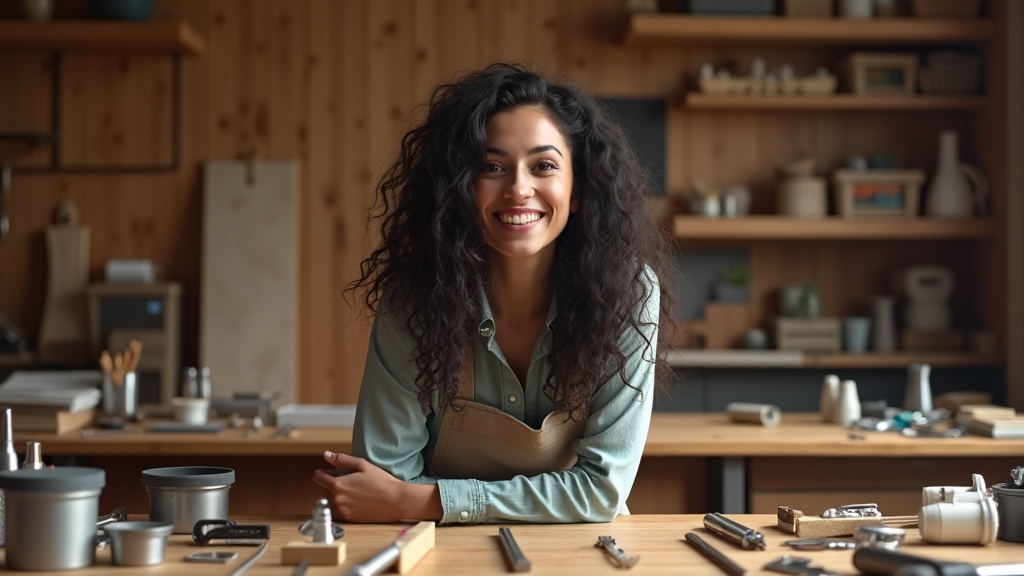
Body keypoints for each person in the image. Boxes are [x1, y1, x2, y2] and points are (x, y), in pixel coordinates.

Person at [312, 62, 673, 525]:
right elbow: (384, 479)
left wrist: (430, 501)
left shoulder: (629, 292)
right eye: (492, 167)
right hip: (438, 552)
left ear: (577, 188)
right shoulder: (413, 299)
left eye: (543, 166)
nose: (519, 189)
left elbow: (602, 491)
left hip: (579, 551)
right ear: (461, 189)